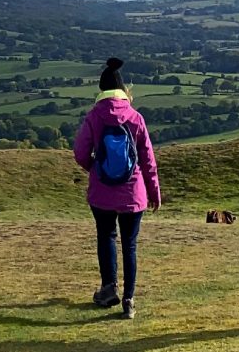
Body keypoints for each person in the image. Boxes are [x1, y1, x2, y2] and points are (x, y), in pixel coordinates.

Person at [73, 58, 161, 320]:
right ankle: (129, 300)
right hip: (133, 192)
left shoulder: (94, 116)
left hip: (102, 193)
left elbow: (79, 153)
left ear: (101, 91)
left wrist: (95, 169)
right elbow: (148, 160)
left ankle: (109, 288)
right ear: (124, 91)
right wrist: (154, 192)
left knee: (106, 237)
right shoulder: (135, 117)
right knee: (130, 245)